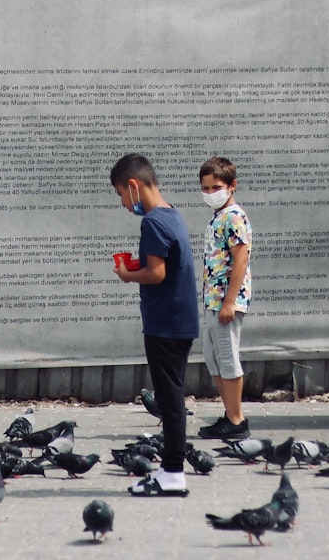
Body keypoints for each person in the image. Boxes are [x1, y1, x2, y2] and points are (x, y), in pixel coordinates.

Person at [110, 153, 200, 495]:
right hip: (180, 321)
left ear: (133, 186)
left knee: (170, 400)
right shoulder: (171, 213)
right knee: (171, 396)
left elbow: (157, 273)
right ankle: (171, 471)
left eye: (120, 194)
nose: (122, 203)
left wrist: (127, 274)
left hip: (165, 324)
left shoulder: (151, 222)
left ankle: (173, 474)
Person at [195, 157, 253, 440]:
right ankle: (229, 414)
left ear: (232, 185)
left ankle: (236, 419)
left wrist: (229, 302)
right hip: (212, 300)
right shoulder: (218, 216)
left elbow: (241, 258)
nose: (210, 193)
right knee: (214, 357)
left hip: (225, 301)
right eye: (205, 188)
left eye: (215, 187)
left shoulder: (233, 216)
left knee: (227, 357)